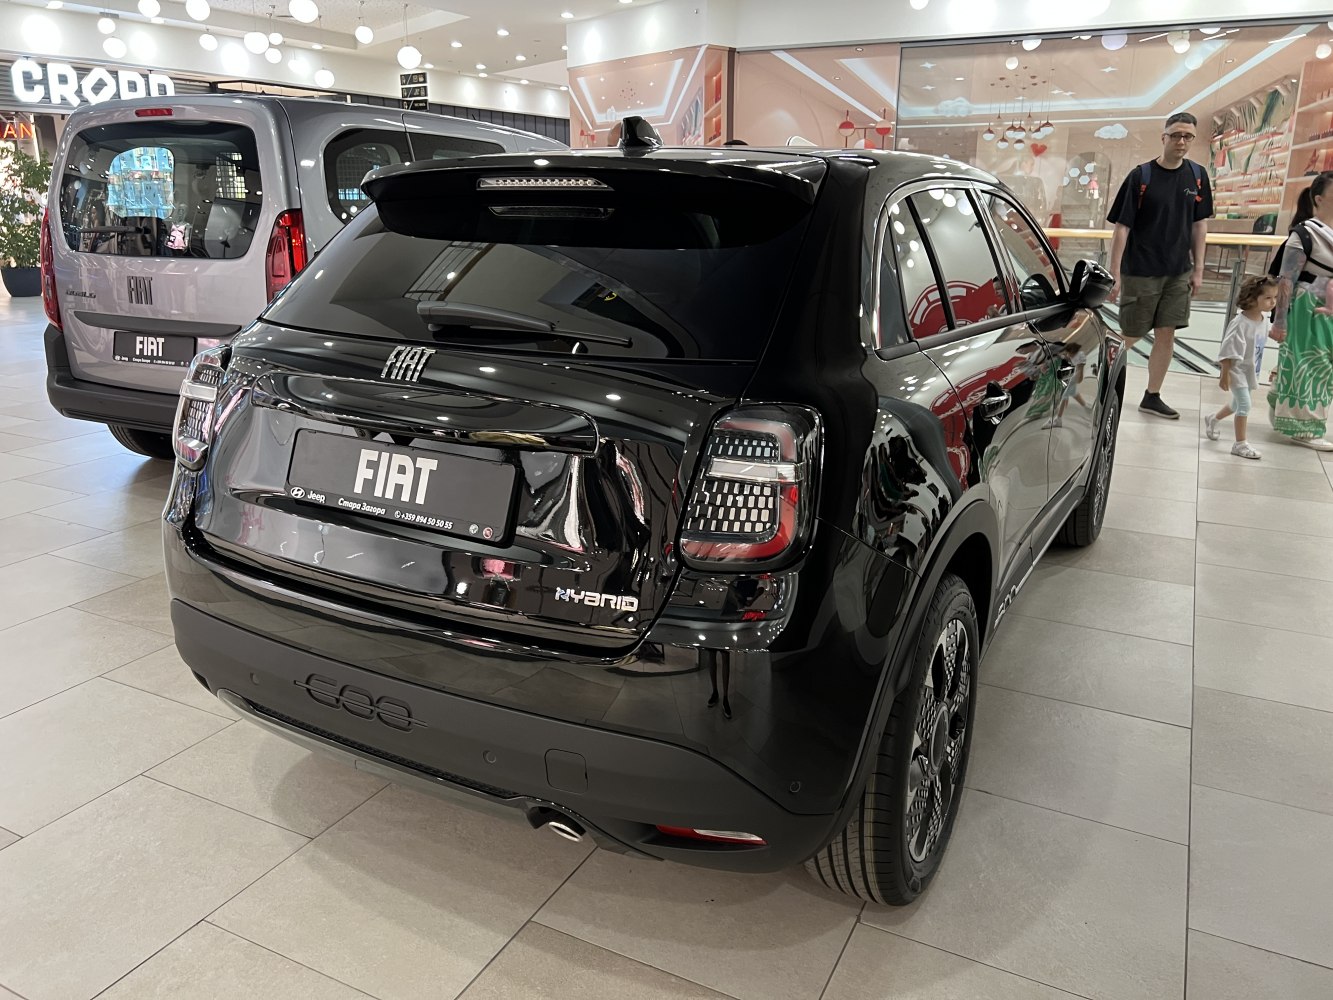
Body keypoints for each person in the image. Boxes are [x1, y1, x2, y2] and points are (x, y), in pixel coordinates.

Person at [1107, 111, 1214, 420]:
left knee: (1167, 333)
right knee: (1131, 332)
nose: (1182, 141)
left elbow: (1199, 225)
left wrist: (1198, 269)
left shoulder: (1197, 175)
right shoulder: (1141, 176)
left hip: (1178, 270)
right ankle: (1093, 375)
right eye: (1176, 135)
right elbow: (1121, 228)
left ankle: (1152, 395)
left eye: (1188, 136)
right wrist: (1114, 274)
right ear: (1164, 136)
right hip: (1141, 269)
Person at [1267, 173, 1333, 450]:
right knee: (1310, 366)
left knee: (1320, 367)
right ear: (1319, 199)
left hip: (1325, 312)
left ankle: (1281, 406)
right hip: (1308, 308)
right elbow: (1286, 279)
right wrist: (1280, 321)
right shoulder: (1306, 233)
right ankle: (1303, 428)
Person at [1204, 276, 1278, 459]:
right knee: (1244, 404)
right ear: (1252, 299)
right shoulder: (1240, 324)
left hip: (1250, 371)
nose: (1273, 302)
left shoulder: (1262, 320)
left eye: (1275, 297)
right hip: (1237, 371)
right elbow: (1227, 351)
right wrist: (1224, 375)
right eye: (1268, 298)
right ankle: (1240, 444)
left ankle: (1213, 418)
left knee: (1237, 404)